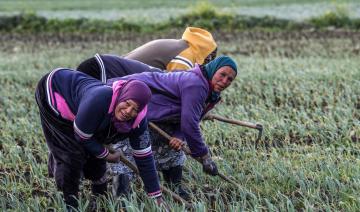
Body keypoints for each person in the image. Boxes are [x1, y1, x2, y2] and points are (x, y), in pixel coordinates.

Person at [77, 55, 237, 200]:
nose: (224, 81)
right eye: (222, 75)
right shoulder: (196, 84)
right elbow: (190, 124)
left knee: (172, 152)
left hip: (162, 117)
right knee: (127, 150)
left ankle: (175, 187)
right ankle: (121, 197)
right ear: (213, 70)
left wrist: (179, 136)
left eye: (230, 79)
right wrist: (204, 156)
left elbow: (192, 117)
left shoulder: (211, 94)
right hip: (136, 108)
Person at [34, 68, 164, 210]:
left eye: (135, 109)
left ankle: (100, 195)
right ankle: (69, 202)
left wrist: (156, 196)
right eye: (127, 103)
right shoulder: (100, 99)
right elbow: (82, 136)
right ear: (122, 96)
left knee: (96, 143)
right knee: (71, 153)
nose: (128, 111)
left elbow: (144, 158)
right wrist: (106, 155)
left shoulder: (139, 123)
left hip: (86, 111)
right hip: (54, 91)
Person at [76, 27, 217, 83]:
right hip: (114, 76)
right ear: (206, 53)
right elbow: (176, 85)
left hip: (110, 68)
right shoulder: (186, 56)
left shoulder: (178, 44)